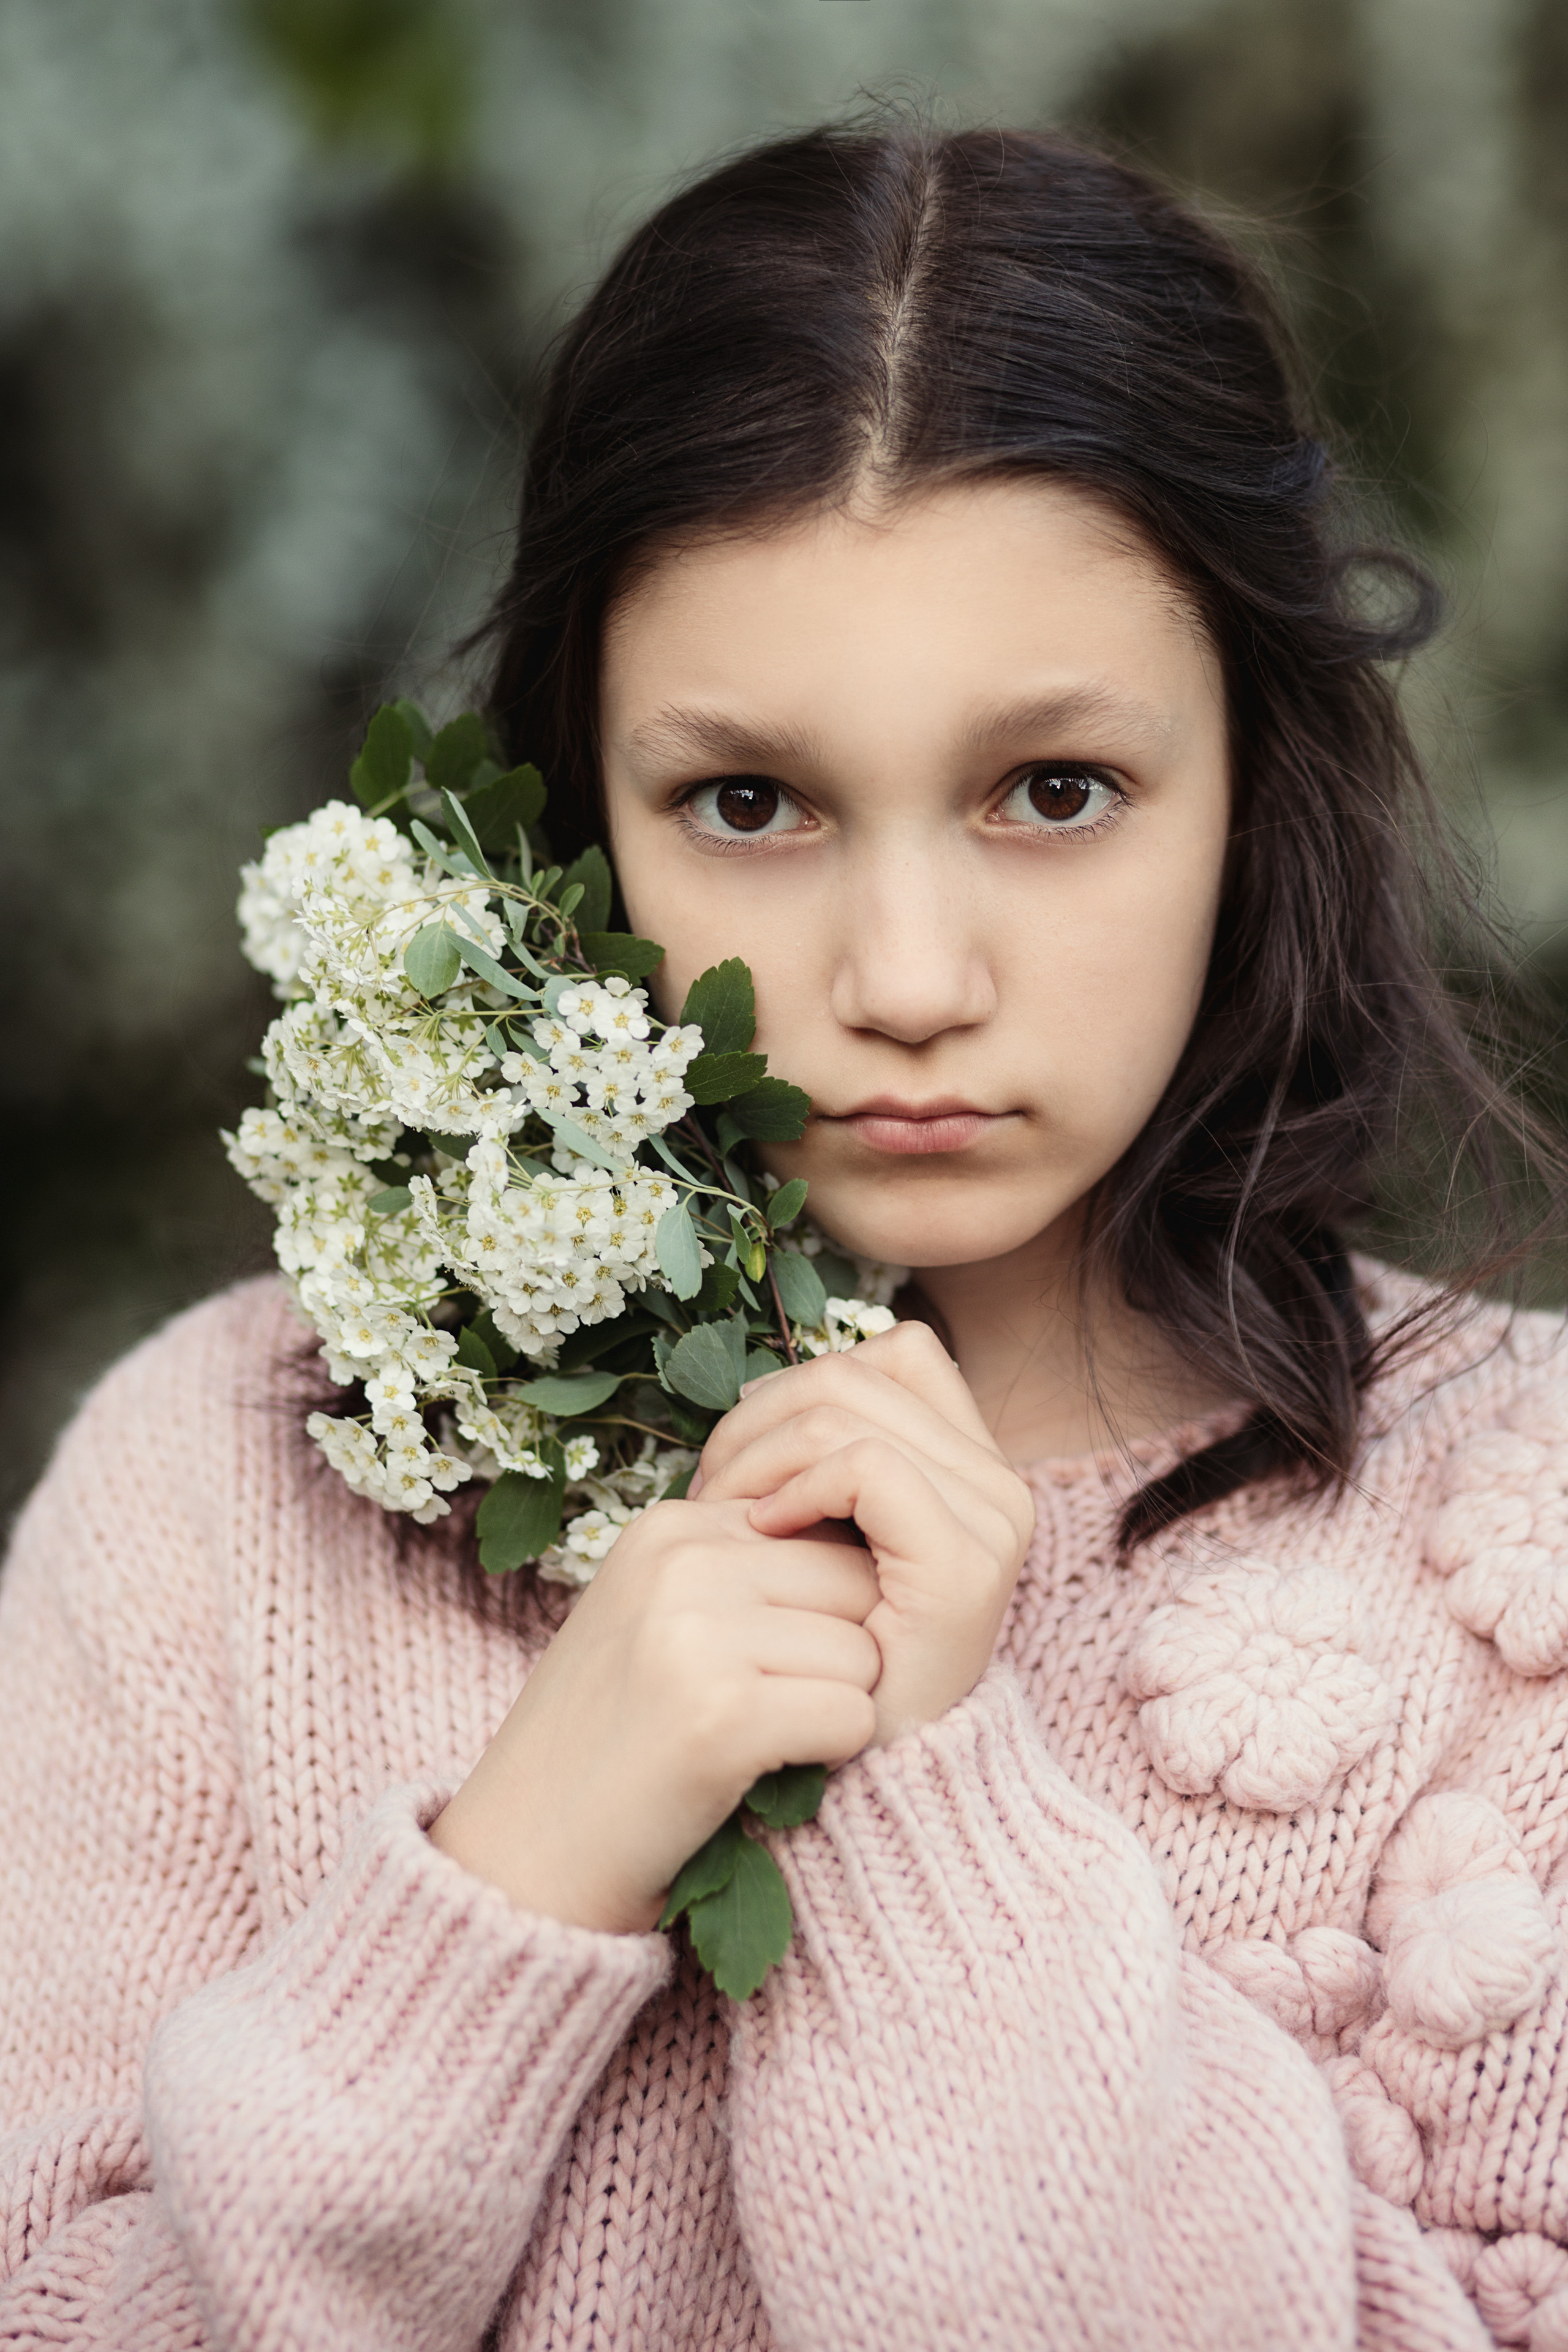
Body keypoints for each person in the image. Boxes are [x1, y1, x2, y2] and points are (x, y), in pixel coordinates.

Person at [1, 120, 1565, 2352]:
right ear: (583, 807)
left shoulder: (1532, 1560)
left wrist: (935, 1803)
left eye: (1056, 792)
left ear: (1258, 779)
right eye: (751, 802)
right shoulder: (213, 1494)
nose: (908, 975)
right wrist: (500, 1895)